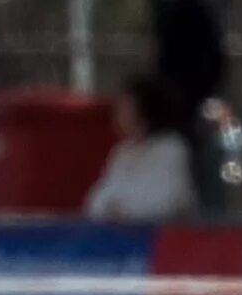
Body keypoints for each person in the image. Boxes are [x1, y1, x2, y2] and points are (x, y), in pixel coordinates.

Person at [146, 0, 234, 212]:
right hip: (165, 103)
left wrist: (197, 98)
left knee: (193, 172)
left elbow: (211, 56)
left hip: (190, 105)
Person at [82, 75, 196, 221]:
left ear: (143, 110)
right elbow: (96, 201)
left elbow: (167, 201)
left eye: (125, 107)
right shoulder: (122, 153)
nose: (117, 114)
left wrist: (127, 211)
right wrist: (111, 208)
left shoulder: (172, 149)